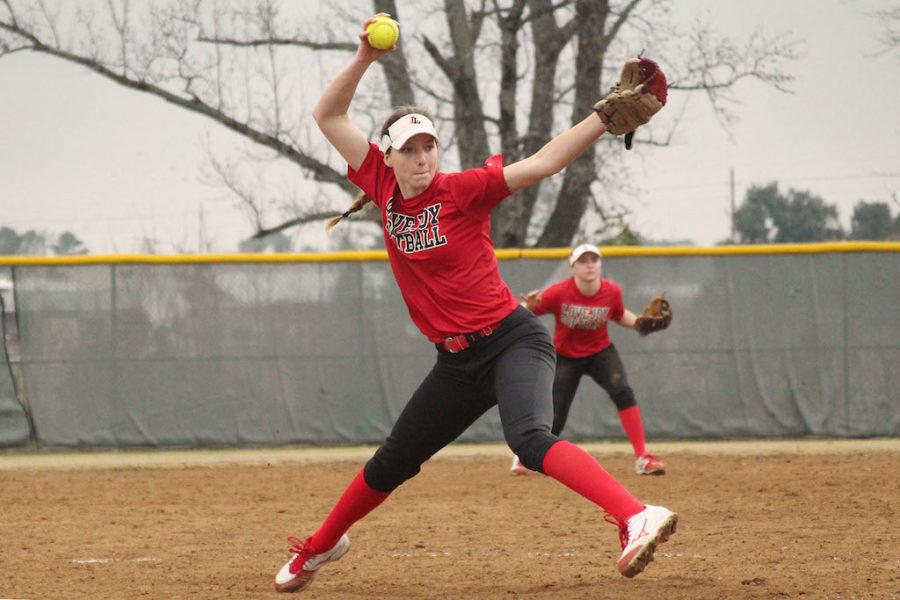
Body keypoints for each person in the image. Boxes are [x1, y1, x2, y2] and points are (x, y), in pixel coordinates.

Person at [273, 13, 676, 593]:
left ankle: (636, 514)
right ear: (386, 158)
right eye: (409, 149)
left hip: (512, 339)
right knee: (392, 462)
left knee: (530, 440)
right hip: (456, 363)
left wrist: (601, 117)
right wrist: (364, 58)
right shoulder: (383, 188)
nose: (421, 157)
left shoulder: (461, 191)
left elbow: (542, 162)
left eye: (429, 146)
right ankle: (320, 547)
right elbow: (327, 116)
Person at [509, 243, 667, 477]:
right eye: (583, 261)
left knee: (622, 391)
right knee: (556, 415)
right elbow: (522, 313)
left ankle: (642, 458)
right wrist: (527, 306)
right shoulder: (559, 292)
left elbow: (618, 313)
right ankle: (524, 457)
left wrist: (639, 323)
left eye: (594, 260)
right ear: (573, 267)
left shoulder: (612, 291)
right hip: (566, 355)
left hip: (600, 351)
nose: (590, 265)